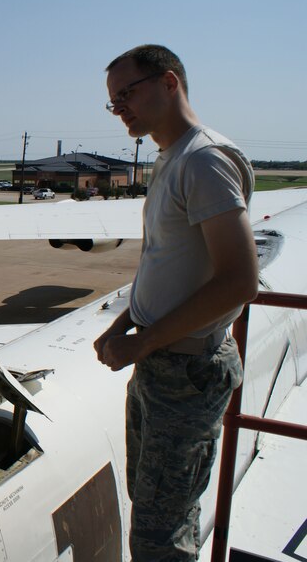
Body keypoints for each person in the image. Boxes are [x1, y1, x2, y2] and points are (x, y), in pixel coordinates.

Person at [94, 45, 258, 561]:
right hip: (161, 363)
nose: (120, 107)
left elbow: (239, 282)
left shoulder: (204, 161)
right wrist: (125, 325)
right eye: (112, 101)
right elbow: (169, 265)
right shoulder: (173, 159)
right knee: (152, 511)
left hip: (187, 371)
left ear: (169, 83)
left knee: (160, 538)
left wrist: (142, 341)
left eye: (128, 93)